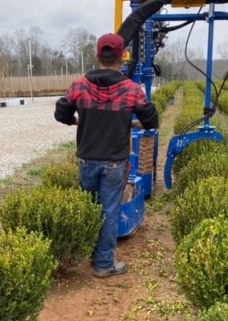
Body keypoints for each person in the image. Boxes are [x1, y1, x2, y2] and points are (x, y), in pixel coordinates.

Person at [54, 33, 159, 278]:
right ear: (122, 56)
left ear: (96, 54)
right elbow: (151, 119)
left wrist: (74, 120)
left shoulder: (80, 85)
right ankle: (103, 264)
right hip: (114, 164)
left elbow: (61, 112)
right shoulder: (131, 89)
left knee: (89, 209)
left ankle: (88, 256)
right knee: (109, 212)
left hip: (87, 161)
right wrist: (131, 122)